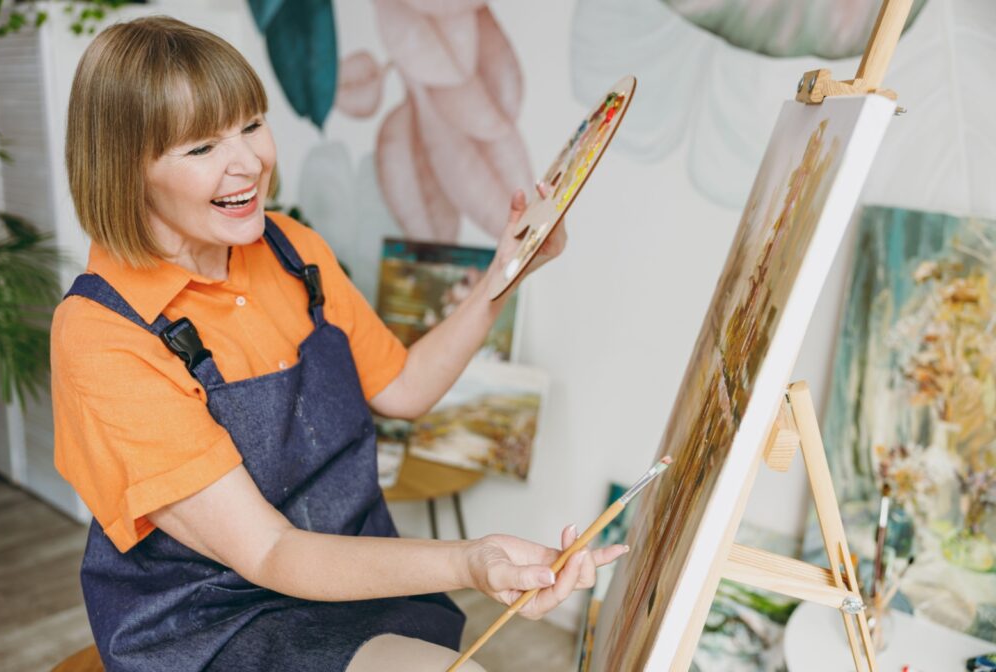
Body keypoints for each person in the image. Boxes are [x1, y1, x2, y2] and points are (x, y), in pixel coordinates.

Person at [51, 16, 627, 672]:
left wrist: (506, 272)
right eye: (201, 148)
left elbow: (404, 389)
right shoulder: (101, 336)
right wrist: (469, 559)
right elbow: (269, 552)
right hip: (206, 624)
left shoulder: (292, 249)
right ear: (129, 171)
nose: (249, 162)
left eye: (250, 124)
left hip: (344, 576)